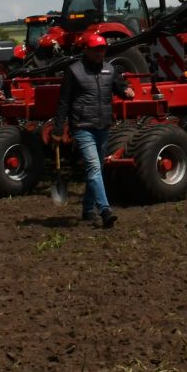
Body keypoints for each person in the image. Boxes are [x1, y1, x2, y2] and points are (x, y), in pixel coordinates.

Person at [54, 32, 130, 230]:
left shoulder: (110, 69)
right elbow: (64, 102)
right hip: (82, 126)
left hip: (103, 126)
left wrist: (126, 93)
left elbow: (119, 88)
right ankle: (105, 210)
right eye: (96, 50)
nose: (100, 53)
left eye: (102, 49)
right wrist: (58, 126)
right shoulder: (74, 71)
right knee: (94, 168)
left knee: (96, 170)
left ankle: (87, 209)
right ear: (86, 50)